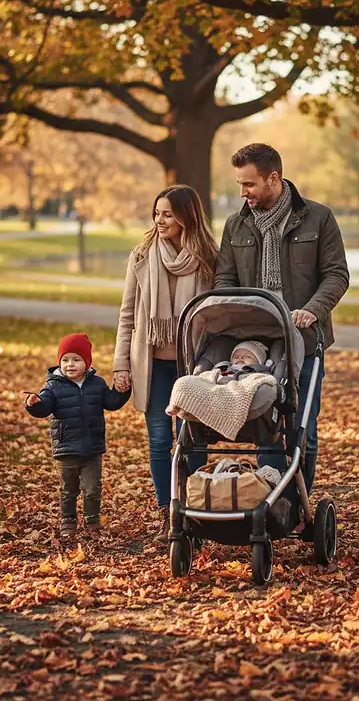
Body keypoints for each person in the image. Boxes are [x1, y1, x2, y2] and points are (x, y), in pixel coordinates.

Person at [213, 143, 350, 493]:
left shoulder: (319, 218)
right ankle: (273, 498)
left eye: (249, 184)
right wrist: (235, 309)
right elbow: (224, 279)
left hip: (303, 338)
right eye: (240, 185)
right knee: (265, 424)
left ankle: (299, 500)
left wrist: (312, 310)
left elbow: (336, 275)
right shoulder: (236, 225)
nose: (242, 193)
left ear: (273, 178)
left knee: (304, 427)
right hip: (256, 341)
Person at [112, 185, 218, 543]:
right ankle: (168, 514)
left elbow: (218, 317)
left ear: (186, 216)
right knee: (159, 440)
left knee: (193, 440)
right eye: (157, 213)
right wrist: (121, 365)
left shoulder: (208, 258)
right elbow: (127, 315)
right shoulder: (142, 256)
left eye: (168, 214)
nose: (160, 220)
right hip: (153, 366)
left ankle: (196, 510)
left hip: (193, 369)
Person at [25, 333, 130, 539]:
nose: (70, 365)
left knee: (92, 489)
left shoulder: (96, 384)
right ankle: (68, 521)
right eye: (65, 360)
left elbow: (111, 402)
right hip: (67, 448)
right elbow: (45, 407)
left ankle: (92, 521)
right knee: (68, 490)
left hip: (92, 448)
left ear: (86, 362)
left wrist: (122, 391)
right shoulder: (53, 386)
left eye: (76, 360)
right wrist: (34, 404)